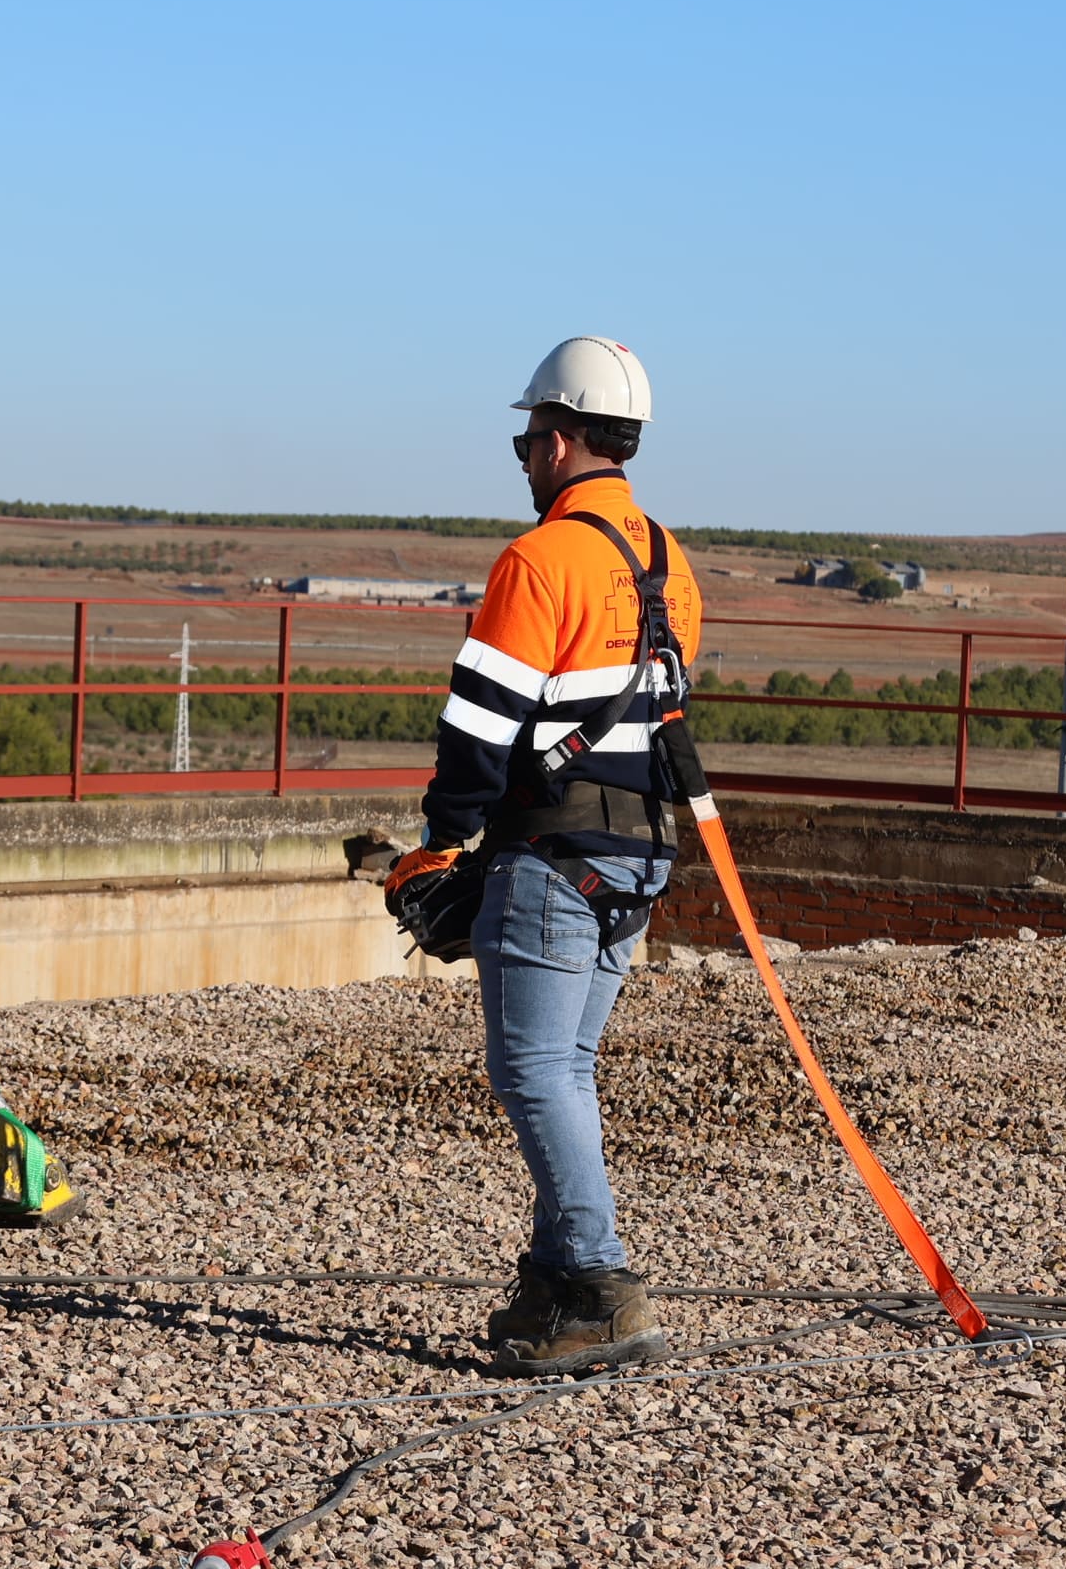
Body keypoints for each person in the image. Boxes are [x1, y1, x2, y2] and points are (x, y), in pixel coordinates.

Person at [385, 335, 703, 1377]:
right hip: (640, 854)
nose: (523, 458)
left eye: (527, 439)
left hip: (556, 854)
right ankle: (551, 1283)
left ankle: (603, 1287)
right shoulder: (668, 561)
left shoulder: (539, 560)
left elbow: (481, 725)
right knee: (564, 1068)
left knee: (531, 1073)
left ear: (561, 439)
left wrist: (442, 839)